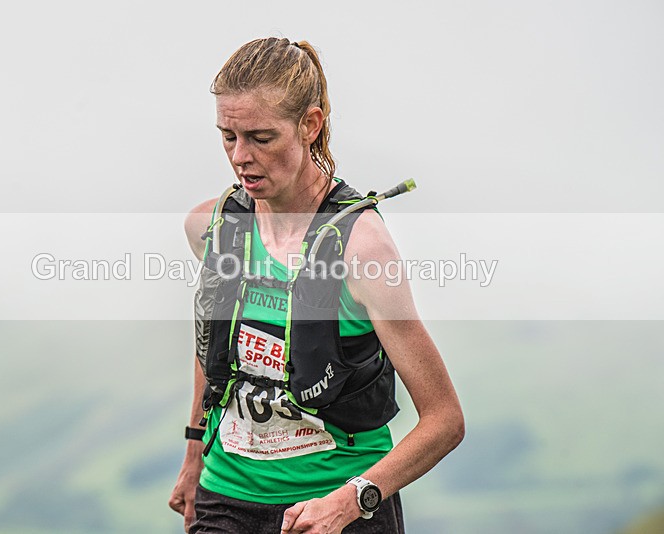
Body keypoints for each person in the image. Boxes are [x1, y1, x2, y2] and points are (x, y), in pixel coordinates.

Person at [169, 37, 464, 534]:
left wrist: (351, 501)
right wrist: (195, 454)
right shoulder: (212, 227)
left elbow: (445, 421)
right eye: (228, 136)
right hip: (225, 498)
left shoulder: (364, 252)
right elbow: (215, 348)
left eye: (261, 138)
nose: (240, 157)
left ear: (310, 124)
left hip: (335, 508)